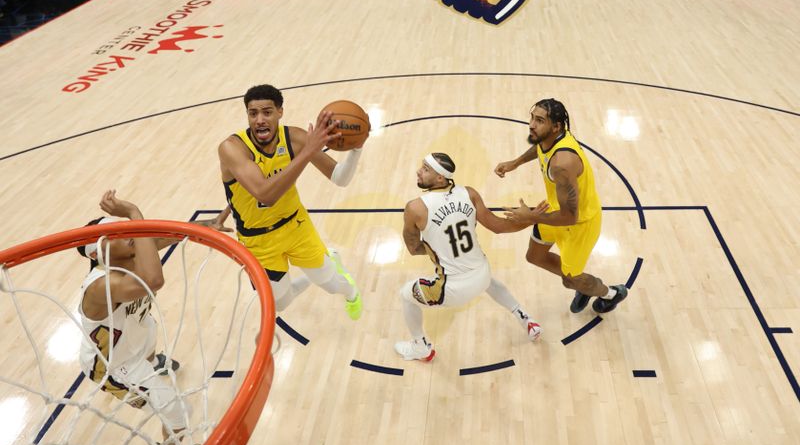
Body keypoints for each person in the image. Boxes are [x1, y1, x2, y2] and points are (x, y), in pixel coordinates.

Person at [77, 190, 230, 445]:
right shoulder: (103, 285)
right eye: (118, 234)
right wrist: (134, 212)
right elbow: (153, 280)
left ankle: (151, 361)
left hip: (133, 340)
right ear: (100, 253)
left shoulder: (132, 252)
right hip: (114, 367)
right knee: (179, 411)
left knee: (144, 331)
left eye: (124, 227)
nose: (129, 233)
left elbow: (165, 237)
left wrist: (205, 227)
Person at [217, 84, 365, 320]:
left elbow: (340, 178)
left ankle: (352, 293)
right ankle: (326, 262)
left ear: (280, 112)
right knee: (281, 304)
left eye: (267, 112)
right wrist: (309, 151)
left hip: (295, 226)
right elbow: (265, 194)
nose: (259, 120)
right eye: (253, 113)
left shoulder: (294, 137)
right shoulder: (232, 148)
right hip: (257, 240)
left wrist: (356, 149)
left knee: (332, 285)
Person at [394, 152, 541, 361]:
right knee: (485, 278)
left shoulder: (415, 208)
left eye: (426, 169)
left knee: (405, 295)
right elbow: (499, 227)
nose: (418, 171)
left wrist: (438, 247)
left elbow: (413, 248)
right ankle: (525, 318)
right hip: (482, 274)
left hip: (451, 290)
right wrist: (532, 218)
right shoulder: (469, 194)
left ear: (440, 179)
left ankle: (420, 347)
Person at [495, 98, 628, 314]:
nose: (531, 125)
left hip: (580, 224)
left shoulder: (562, 165)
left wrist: (530, 216)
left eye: (539, 120)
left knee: (570, 281)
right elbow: (539, 148)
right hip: (554, 210)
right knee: (534, 256)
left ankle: (612, 293)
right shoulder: (552, 137)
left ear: (556, 126)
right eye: (531, 118)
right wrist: (515, 163)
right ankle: (578, 282)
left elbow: (570, 217)